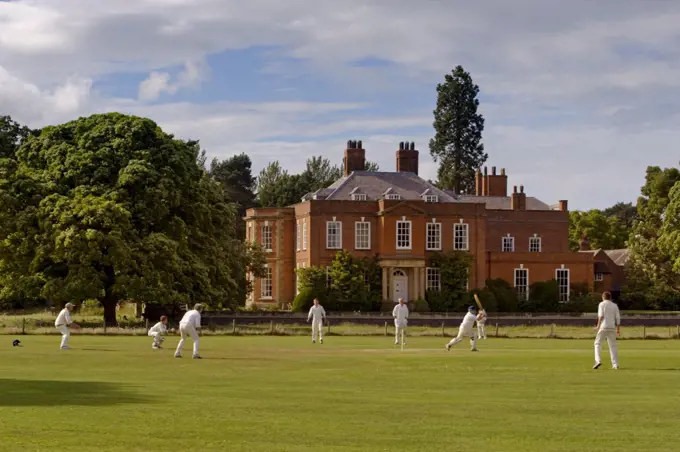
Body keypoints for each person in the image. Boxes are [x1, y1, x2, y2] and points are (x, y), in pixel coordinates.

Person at [593, 291, 620, 370]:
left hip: (603, 327)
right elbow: (617, 318)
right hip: (612, 327)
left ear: (603, 297)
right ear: (610, 297)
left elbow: (601, 315)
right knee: (613, 346)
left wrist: (598, 325)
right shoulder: (615, 306)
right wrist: (618, 329)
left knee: (597, 343)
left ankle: (598, 361)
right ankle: (615, 365)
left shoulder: (601, 304)